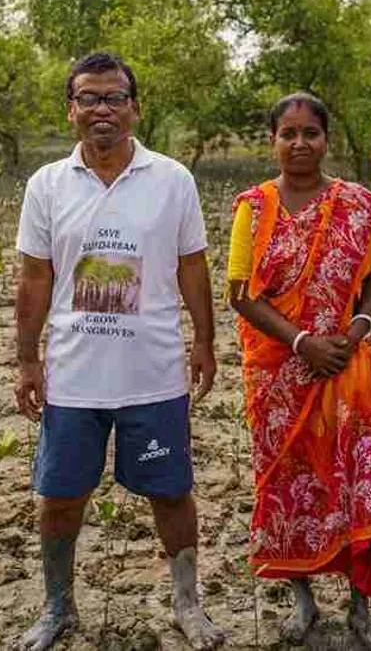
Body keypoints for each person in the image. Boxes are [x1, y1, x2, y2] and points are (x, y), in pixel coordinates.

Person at [13, 51, 226, 651]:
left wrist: (204, 340)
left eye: (113, 98)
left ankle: (187, 603)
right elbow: (34, 277)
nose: (101, 109)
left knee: (171, 491)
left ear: (134, 108)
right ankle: (58, 607)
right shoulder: (47, 185)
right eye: (88, 98)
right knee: (59, 495)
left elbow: (192, 265)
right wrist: (28, 358)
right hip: (73, 378)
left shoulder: (172, 179)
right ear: (71, 110)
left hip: (154, 374)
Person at [228, 92, 371, 650]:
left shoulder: (358, 205)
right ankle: (304, 601)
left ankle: (362, 607)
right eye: (288, 133)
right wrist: (303, 342)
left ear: (326, 140)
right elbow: (242, 292)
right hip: (279, 376)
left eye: (310, 133)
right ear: (273, 142)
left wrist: (353, 333)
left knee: (357, 484)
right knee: (291, 486)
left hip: (345, 368)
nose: (299, 144)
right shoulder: (254, 208)